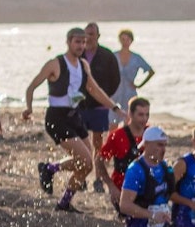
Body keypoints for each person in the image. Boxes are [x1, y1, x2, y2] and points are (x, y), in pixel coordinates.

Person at [23, 27, 126, 212]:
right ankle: (49, 169)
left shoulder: (84, 65)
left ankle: (61, 195)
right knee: (86, 160)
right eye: (77, 42)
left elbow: (95, 90)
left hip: (75, 117)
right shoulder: (55, 63)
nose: (81, 46)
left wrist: (116, 108)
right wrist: (29, 108)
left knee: (86, 166)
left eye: (84, 42)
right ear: (69, 42)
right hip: (57, 118)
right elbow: (31, 87)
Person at [81, 23, 122, 192]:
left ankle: (98, 178)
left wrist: (105, 98)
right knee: (82, 143)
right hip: (80, 105)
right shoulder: (78, 53)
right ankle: (81, 175)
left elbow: (115, 79)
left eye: (92, 34)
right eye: (86, 34)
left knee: (98, 143)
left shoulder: (107, 55)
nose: (89, 37)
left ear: (98, 35)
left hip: (99, 107)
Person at [95, 96, 151, 214]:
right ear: (130, 113)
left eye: (147, 114)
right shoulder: (118, 136)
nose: (144, 119)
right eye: (140, 115)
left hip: (145, 187)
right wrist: (111, 186)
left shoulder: (151, 133)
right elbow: (99, 161)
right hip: (122, 189)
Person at [111, 29, 155, 112]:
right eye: (123, 39)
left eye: (127, 39)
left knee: (129, 117)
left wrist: (139, 85)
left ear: (131, 40)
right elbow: (106, 71)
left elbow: (151, 71)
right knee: (112, 120)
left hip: (129, 91)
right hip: (115, 91)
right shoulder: (114, 56)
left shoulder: (136, 58)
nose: (125, 42)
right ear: (119, 40)